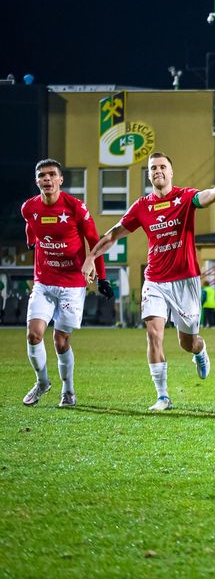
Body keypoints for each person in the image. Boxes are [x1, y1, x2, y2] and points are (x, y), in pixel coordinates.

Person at [83, 150, 215, 411]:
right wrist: (91, 257)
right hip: (155, 280)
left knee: (187, 343)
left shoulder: (184, 197)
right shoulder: (141, 206)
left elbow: (213, 195)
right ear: (149, 175)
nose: (158, 171)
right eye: (153, 168)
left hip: (185, 281)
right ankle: (163, 396)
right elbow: (114, 234)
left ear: (171, 172)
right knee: (153, 334)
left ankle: (200, 350)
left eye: (162, 167)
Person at [20, 159, 112, 407]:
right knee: (33, 335)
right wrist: (31, 241)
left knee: (61, 342)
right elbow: (31, 227)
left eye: (52, 175)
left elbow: (95, 242)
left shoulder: (76, 208)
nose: (47, 179)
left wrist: (102, 277)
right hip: (44, 281)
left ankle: (68, 390)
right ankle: (42, 383)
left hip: (72, 284)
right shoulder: (29, 208)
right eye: (42, 175)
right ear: (37, 181)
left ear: (61, 180)